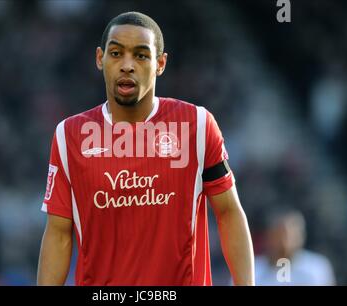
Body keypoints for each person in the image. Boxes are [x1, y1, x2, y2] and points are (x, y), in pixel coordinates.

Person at [37, 11, 254, 286]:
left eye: (141, 55)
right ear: (99, 59)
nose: (127, 65)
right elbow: (58, 234)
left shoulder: (196, 125)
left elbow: (228, 211)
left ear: (160, 63)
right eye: (116, 54)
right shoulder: (69, 135)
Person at [255, 208, 335, 285]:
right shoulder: (254, 268)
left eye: (291, 235)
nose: (284, 241)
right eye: (279, 234)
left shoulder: (317, 267)